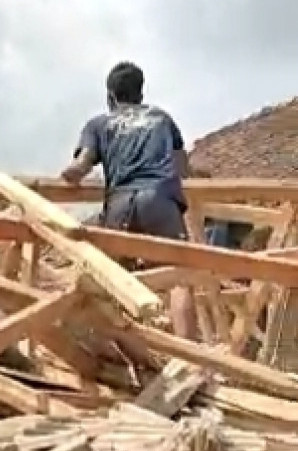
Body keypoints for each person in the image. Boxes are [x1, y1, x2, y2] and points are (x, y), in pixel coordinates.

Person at [60, 61, 198, 341]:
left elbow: (81, 165)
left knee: (110, 279)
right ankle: (189, 356)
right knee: (178, 277)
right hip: (160, 200)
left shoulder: (98, 124)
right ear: (141, 93)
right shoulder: (161, 119)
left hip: (120, 204)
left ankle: (116, 348)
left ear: (110, 95)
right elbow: (183, 168)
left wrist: (68, 176)